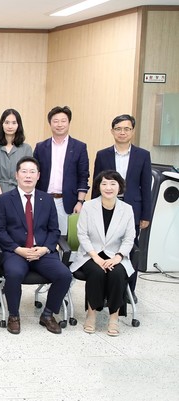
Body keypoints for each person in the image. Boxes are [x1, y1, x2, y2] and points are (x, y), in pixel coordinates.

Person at [0, 156, 72, 335]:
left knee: (64, 275)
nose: (28, 176)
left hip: (41, 251)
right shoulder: (5, 199)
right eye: (24, 172)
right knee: (13, 273)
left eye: (32, 172)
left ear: (38, 176)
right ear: (16, 175)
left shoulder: (47, 199)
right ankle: (13, 316)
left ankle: (48, 314)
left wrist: (45, 249)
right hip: (16, 251)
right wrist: (17, 249)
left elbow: (54, 230)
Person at [92, 114, 152, 301]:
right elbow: (97, 185)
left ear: (132, 131)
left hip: (132, 209)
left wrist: (146, 215)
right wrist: (93, 210)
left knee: (130, 250)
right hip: (106, 207)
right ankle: (104, 291)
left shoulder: (143, 155)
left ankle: (129, 291)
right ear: (112, 131)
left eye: (126, 129)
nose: (122, 132)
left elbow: (146, 187)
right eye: (118, 129)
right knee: (105, 247)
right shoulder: (103, 155)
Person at [70, 170, 135, 337]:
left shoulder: (127, 209)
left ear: (120, 187)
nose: (108, 187)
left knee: (117, 273)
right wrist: (96, 257)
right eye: (104, 183)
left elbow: (129, 238)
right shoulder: (88, 206)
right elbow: (82, 234)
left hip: (116, 254)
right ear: (99, 187)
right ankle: (91, 314)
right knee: (97, 271)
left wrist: (118, 257)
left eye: (113, 184)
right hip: (91, 254)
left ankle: (114, 317)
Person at [34, 106, 90, 235]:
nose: (59, 124)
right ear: (50, 123)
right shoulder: (41, 147)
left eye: (63, 121)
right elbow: (34, 174)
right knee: (41, 236)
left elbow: (83, 176)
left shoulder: (79, 147)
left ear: (69, 122)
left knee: (64, 239)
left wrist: (80, 202)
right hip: (43, 199)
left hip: (67, 202)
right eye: (55, 121)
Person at [0, 109, 34, 240]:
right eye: (7, 122)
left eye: (13, 122)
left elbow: (28, 173)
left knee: (17, 228)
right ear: (2, 124)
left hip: (18, 193)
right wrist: (2, 196)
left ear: (18, 125)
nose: (10, 126)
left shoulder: (26, 148)